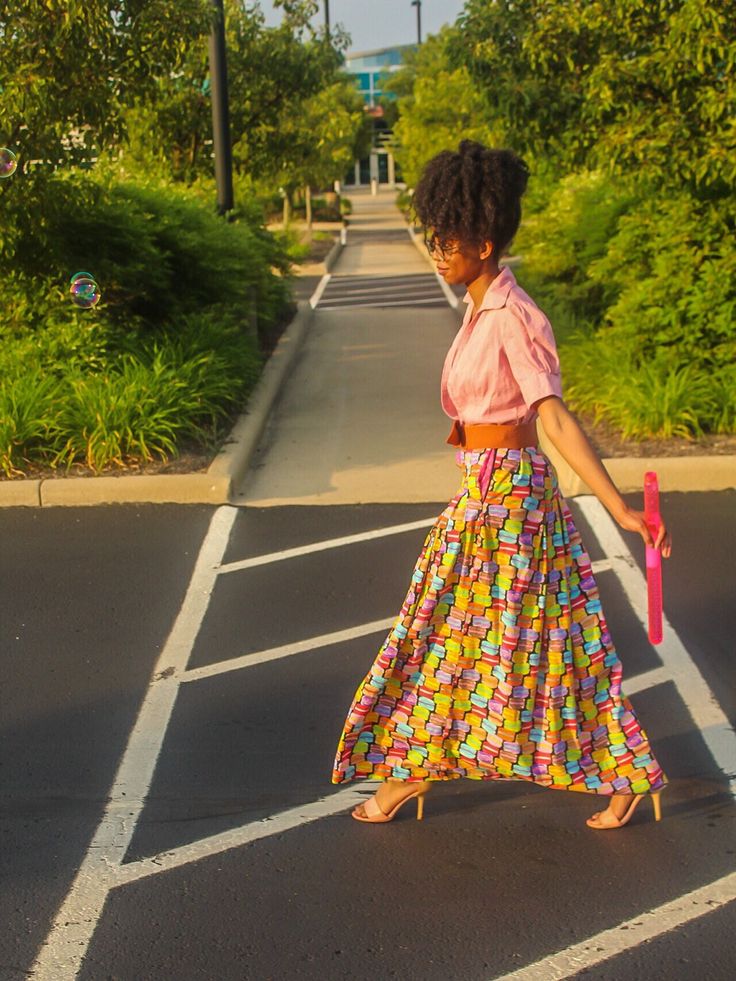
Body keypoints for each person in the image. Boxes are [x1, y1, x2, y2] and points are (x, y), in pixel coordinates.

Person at [331, 140, 671, 830]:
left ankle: (418, 774)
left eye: (446, 237)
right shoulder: (481, 307)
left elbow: (555, 418)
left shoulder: (516, 318)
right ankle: (417, 769)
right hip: (485, 494)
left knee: (507, 639)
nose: (436, 248)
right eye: (433, 234)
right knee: (463, 635)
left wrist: (620, 509)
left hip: (510, 504)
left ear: (483, 243)